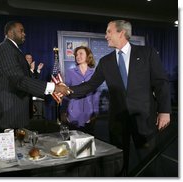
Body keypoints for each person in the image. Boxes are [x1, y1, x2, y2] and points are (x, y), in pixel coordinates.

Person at [68, 20, 171, 175]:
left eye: (109, 32)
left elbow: (161, 83)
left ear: (121, 33)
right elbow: (89, 85)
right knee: (118, 163)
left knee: (149, 161)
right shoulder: (105, 61)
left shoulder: (146, 53)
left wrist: (164, 110)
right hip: (118, 121)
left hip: (144, 119)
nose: (106, 36)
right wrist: (65, 90)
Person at [0, 20, 71, 134]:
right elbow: (19, 80)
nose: (24, 34)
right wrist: (54, 88)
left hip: (15, 112)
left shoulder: (13, 50)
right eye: (21, 31)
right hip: (9, 115)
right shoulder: (5, 49)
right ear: (10, 32)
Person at [61, 46, 100, 134]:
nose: (78, 56)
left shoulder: (94, 73)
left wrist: (95, 113)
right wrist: (63, 111)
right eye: (76, 55)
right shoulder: (70, 72)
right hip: (73, 114)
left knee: (87, 143)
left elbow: (96, 94)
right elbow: (65, 92)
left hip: (89, 114)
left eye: (81, 53)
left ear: (88, 56)